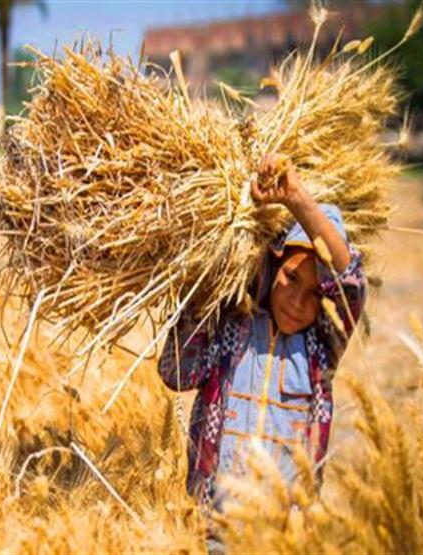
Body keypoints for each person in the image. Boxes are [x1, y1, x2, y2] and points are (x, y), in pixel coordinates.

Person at [157, 153, 367, 530]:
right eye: (290, 279)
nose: (299, 302)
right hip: (210, 532)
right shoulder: (230, 331)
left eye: (316, 294)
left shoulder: (321, 350)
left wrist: (296, 198)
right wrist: (204, 275)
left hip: (283, 539)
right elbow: (175, 371)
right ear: (272, 264)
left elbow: (348, 278)